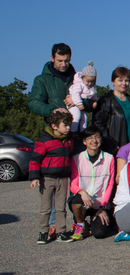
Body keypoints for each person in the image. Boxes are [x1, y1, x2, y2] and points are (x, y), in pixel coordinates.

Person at [30, 111, 74, 244]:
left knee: (61, 207)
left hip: (63, 178)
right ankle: (43, 231)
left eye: (69, 125)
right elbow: (35, 160)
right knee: (46, 207)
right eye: (65, 125)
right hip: (47, 178)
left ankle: (61, 232)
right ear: (54, 126)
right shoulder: (44, 141)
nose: (68, 128)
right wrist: (34, 177)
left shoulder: (69, 140)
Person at [69, 126, 116, 240]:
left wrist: (103, 206)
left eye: (97, 137)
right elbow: (73, 185)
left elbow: (110, 185)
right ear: (84, 141)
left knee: (99, 233)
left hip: (100, 203)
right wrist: (82, 192)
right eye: (90, 138)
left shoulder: (109, 158)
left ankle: (98, 222)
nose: (94, 141)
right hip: (84, 202)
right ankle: (81, 225)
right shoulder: (77, 158)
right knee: (75, 200)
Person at [93, 66, 130, 155]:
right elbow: (98, 124)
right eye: (120, 80)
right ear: (113, 81)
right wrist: (110, 145)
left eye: (126, 80)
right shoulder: (105, 101)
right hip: (115, 148)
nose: (124, 83)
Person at [28, 43, 75, 118]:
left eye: (66, 60)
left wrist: (78, 101)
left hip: (77, 127)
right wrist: (53, 111)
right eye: (60, 61)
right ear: (52, 58)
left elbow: (90, 103)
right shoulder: (41, 80)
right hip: (54, 126)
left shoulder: (78, 79)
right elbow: (34, 103)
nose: (63, 64)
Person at [68, 61, 98, 132]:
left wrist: (95, 101)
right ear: (82, 78)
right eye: (88, 81)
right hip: (74, 104)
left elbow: (92, 95)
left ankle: (83, 132)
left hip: (82, 105)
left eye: (92, 81)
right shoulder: (79, 85)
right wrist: (79, 104)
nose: (90, 83)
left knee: (85, 118)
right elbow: (75, 94)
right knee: (76, 115)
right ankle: (73, 131)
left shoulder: (91, 87)